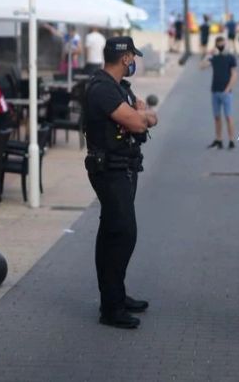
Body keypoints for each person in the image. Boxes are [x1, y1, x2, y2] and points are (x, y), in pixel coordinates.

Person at [83, 36, 158, 329]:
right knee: (124, 233)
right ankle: (111, 307)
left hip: (124, 168)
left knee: (113, 232)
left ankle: (116, 296)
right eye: (133, 57)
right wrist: (140, 116)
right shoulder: (102, 88)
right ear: (126, 58)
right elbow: (141, 122)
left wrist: (140, 115)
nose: (134, 62)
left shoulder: (120, 88)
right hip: (109, 171)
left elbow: (150, 116)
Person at [199, 36, 238, 149]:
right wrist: (208, 54)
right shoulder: (214, 58)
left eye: (222, 43)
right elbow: (201, 66)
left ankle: (231, 140)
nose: (220, 45)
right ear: (216, 45)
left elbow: (234, 74)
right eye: (218, 43)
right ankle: (218, 139)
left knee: (228, 116)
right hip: (215, 91)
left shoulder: (230, 58)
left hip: (226, 92)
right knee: (217, 117)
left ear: (225, 44)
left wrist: (228, 88)